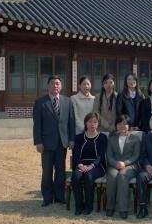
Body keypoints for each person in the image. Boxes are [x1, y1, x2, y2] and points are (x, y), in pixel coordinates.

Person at [32, 75, 75, 207]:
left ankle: (59, 196)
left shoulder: (67, 101)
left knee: (60, 171)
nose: (55, 86)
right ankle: (47, 197)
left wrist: (71, 139)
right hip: (46, 143)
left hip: (62, 142)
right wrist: (38, 142)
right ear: (48, 86)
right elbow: (37, 124)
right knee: (47, 171)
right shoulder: (40, 102)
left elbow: (71, 122)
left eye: (57, 84)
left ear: (61, 86)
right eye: (52, 83)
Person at [71, 112, 107, 215]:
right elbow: (76, 154)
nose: (92, 124)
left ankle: (88, 206)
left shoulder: (102, 138)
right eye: (90, 121)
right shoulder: (78, 138)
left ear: (98, 124)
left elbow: (101, 156)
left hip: (97, 166)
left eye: (95, 122)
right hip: (81, 165)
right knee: (76, 176)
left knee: (88, 175)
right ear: (85, 123)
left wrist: (91, 166)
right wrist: (80, 165)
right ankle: (79, 206)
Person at [106, 115, 141, 219]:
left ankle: (123, 209)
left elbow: (136, 155)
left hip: (130, 166)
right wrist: (116, 163)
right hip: (114, 165)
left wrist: (124, 163)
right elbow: (109, 155)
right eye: (119, 123)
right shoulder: (111, 139)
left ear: (129, 126)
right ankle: (110, 207)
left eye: (125, 123)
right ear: (116, 125)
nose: (122, 126)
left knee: (122, 175)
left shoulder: (135, 138)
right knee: (112, 176)